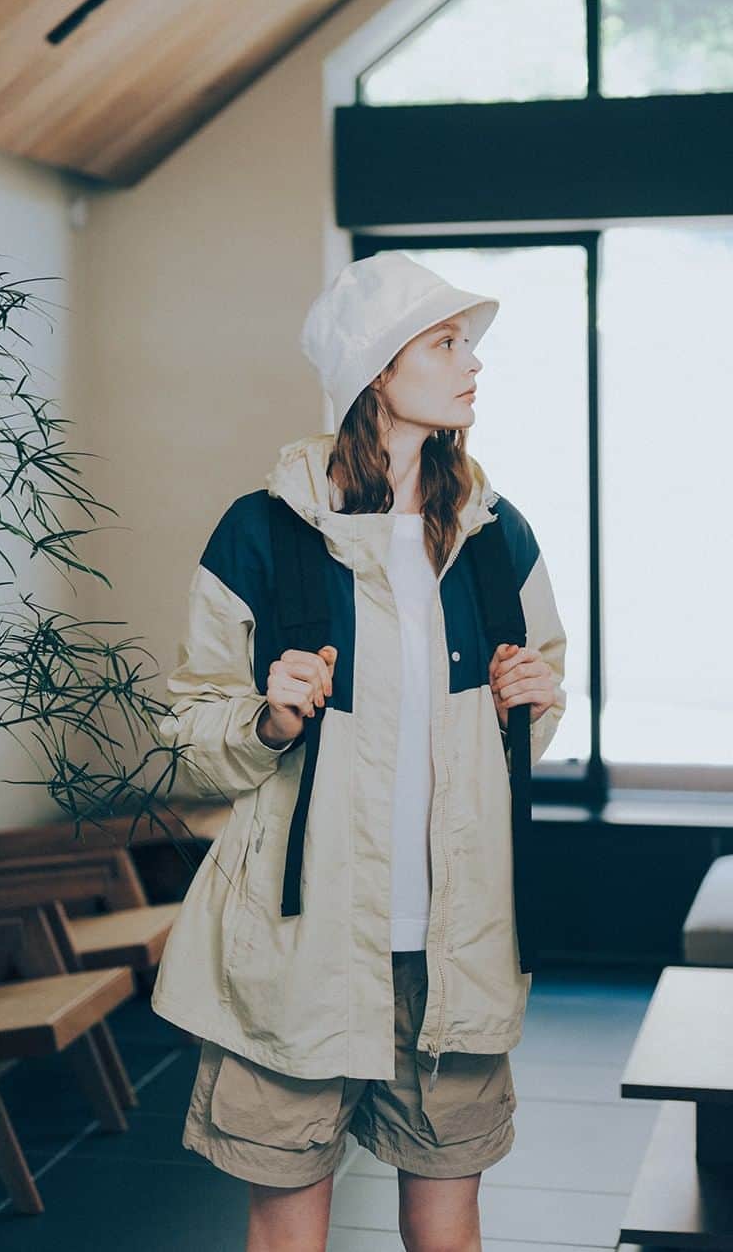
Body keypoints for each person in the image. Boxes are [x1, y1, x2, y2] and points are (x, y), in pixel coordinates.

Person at [150, 251, 567, 1252]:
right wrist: (268, 719)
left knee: (448, 1230)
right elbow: (193, 735)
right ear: (379, 369)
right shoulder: (262, 534)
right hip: (300, 953)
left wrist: (531, 702)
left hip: (456, 949)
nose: (473, 363)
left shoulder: (495, 536)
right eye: (446, 343)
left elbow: (523, 728)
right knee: (290, 1229)